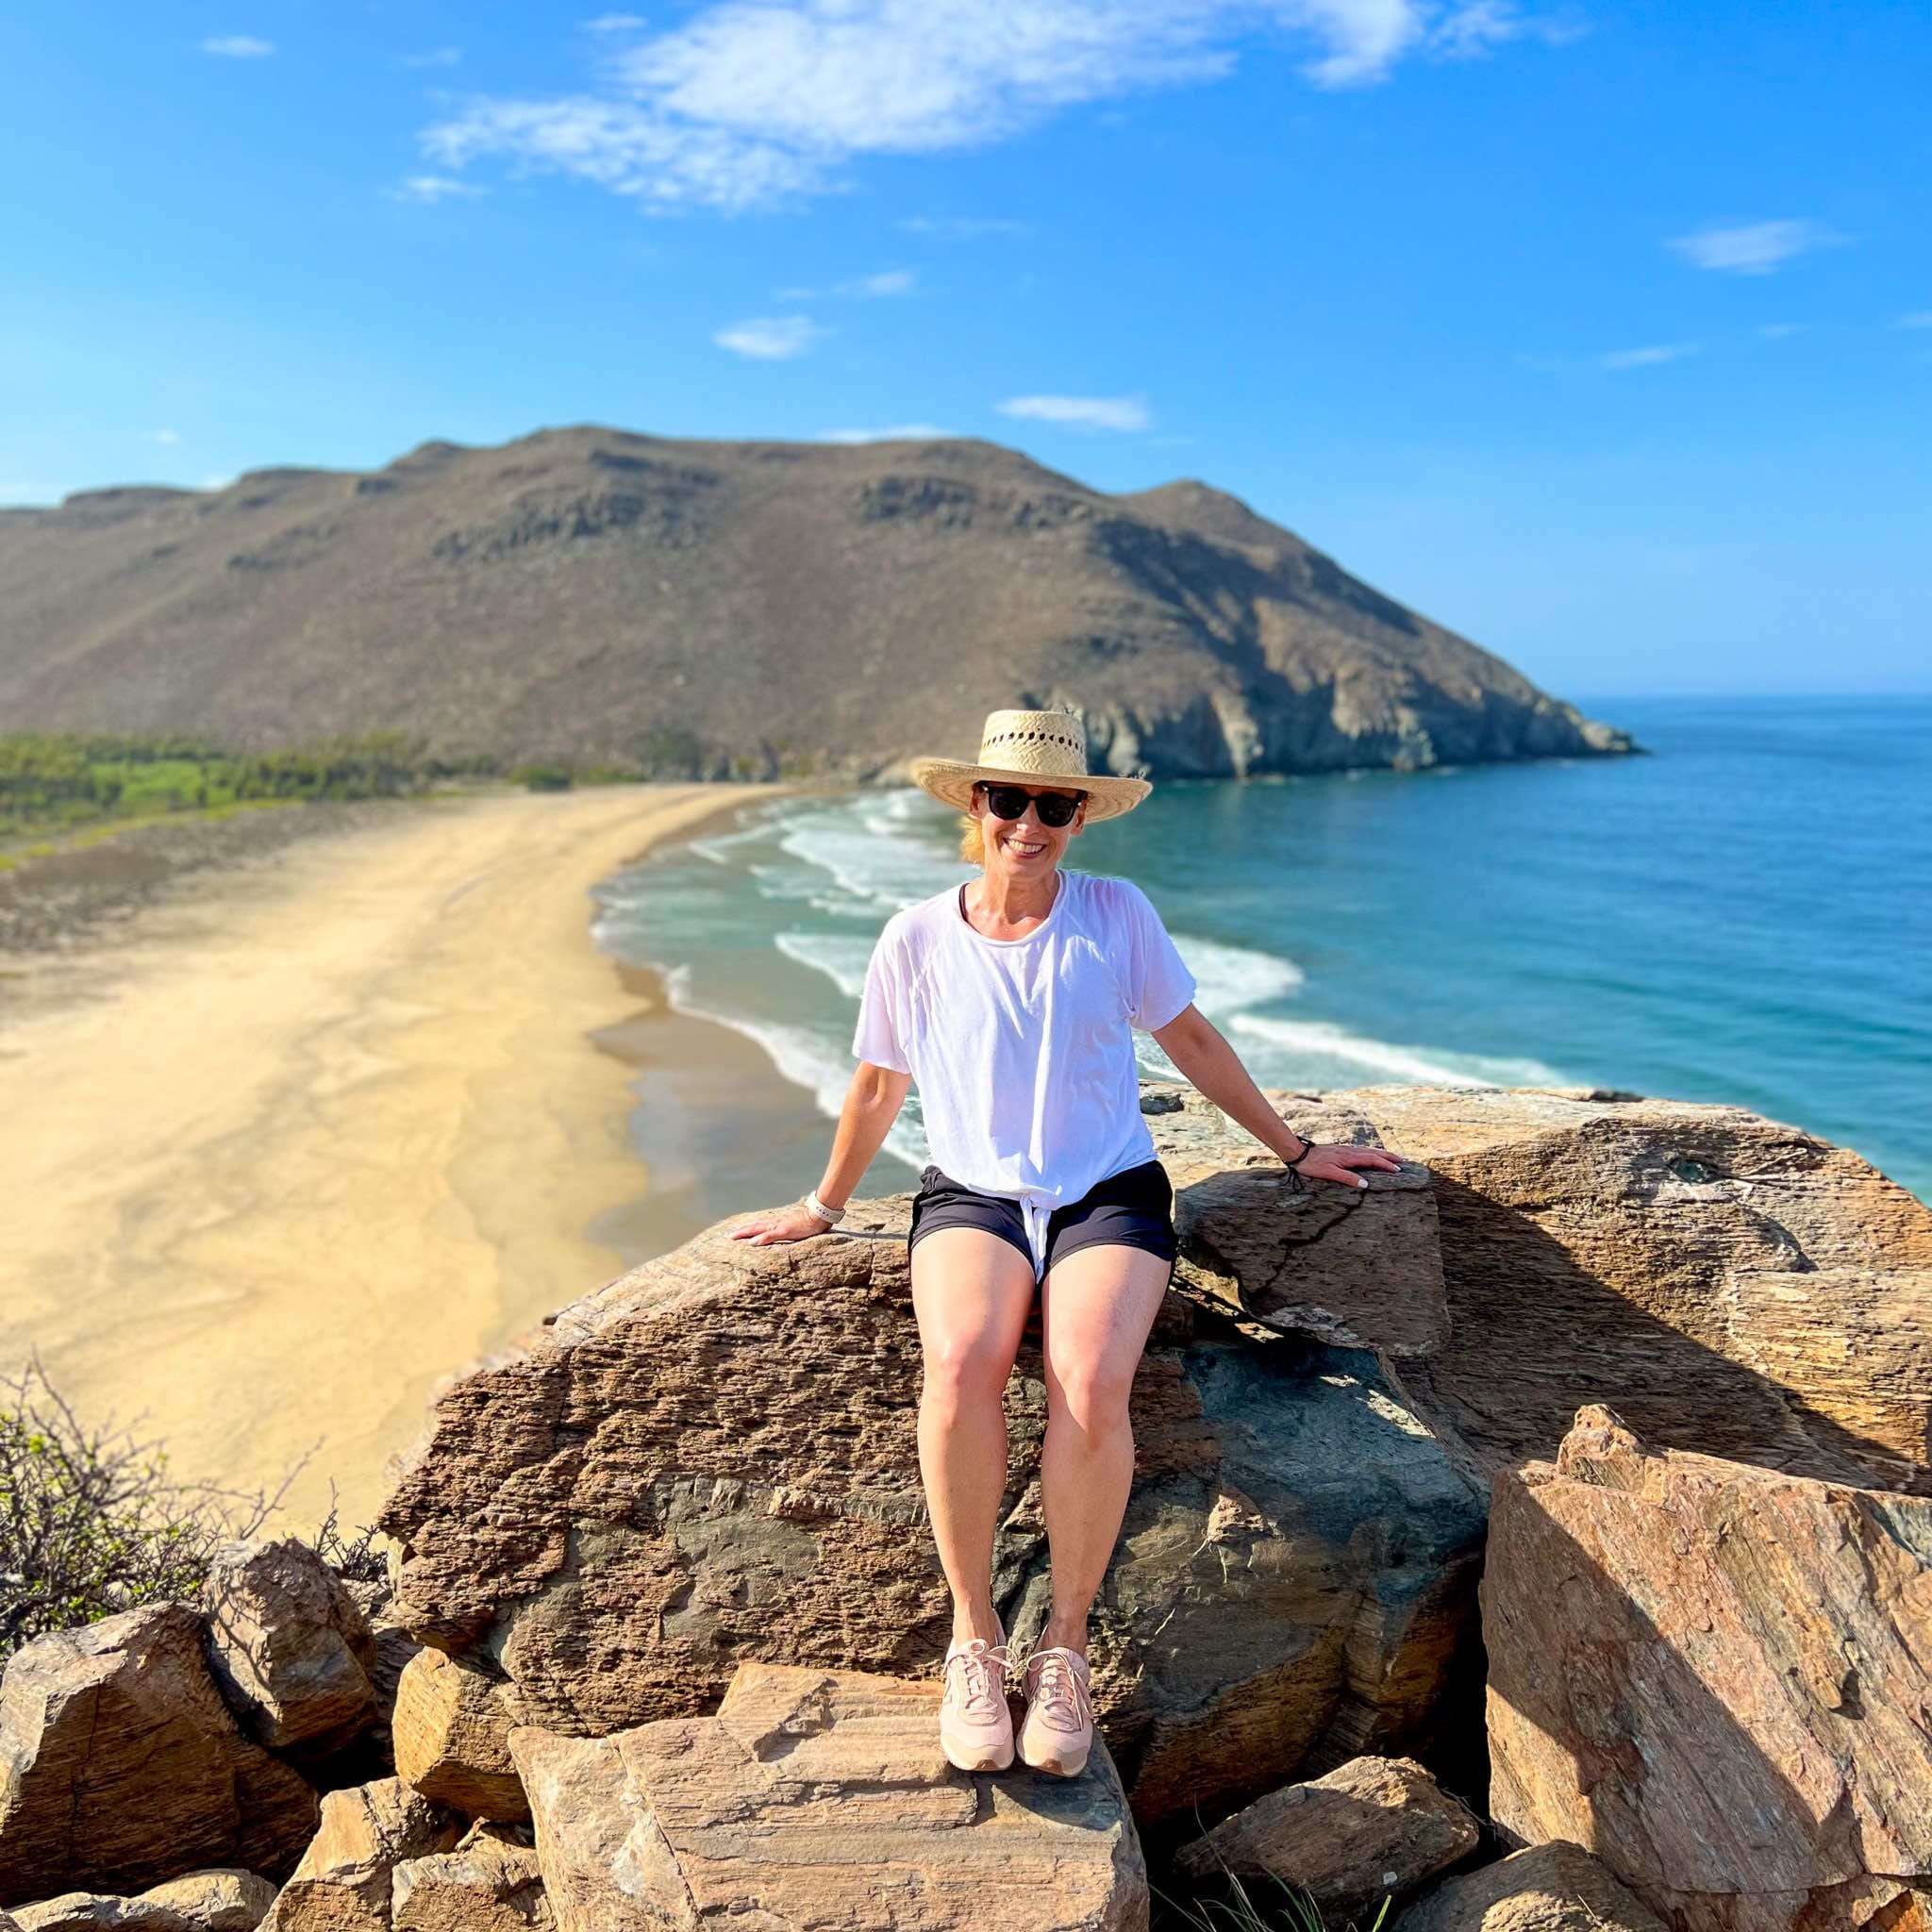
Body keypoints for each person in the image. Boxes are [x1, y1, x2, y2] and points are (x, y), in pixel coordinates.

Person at [730, 707, 1398, 1777]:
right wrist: (821, 1203)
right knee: (960, 1361)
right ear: (975, 806)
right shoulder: (914, 936)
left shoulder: (1114, 915)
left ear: (1079, 815)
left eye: (1051, 804)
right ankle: (972, 1635)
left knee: (1088, 1378)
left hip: (1107, 1192)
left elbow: (1186, 1035)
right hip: (974, 1196)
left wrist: (1294, 1145)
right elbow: (874, 1082)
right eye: (1007, 800)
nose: (1026, 823)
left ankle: (1065, 1648)